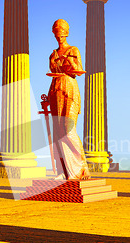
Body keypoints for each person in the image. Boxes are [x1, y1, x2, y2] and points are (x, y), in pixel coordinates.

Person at [48, 19, 91, 180]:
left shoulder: (73, 50)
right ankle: (63, 170)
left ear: (66, 33)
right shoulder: (53, 53)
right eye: (57, 33)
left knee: (68, 129)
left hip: (69, 88)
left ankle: (79, 168)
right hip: (55, 87)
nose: (59, 37)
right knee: (58, 132)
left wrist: (68, 62)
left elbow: (78, 70)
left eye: (62, 33)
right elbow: (51, 70)